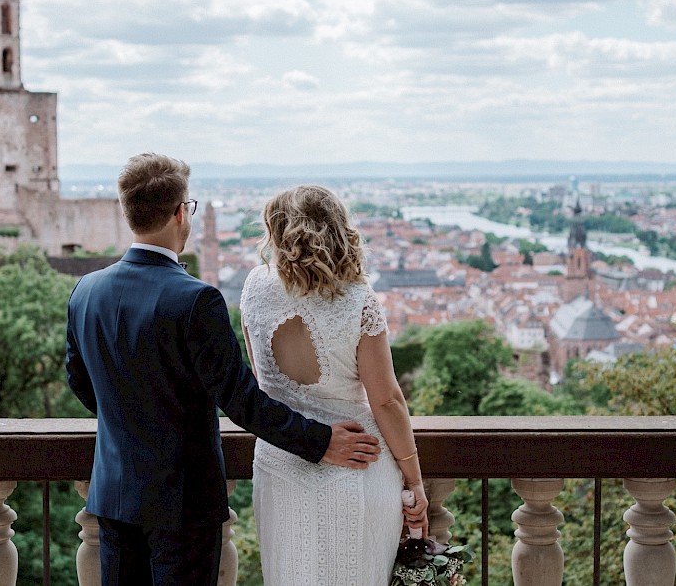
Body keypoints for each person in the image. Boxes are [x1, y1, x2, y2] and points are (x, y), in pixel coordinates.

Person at [65, 154, 382, 586]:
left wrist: (134, 416)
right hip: (183, 499)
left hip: (114, 492)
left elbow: (81, 383)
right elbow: (240, 400)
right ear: (181, 212)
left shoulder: (86, 290)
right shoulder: (196, 299)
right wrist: (321, 441)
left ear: (128, 213)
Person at [240, 184, 430, 585]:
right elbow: (387, 401)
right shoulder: (357, 298)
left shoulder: (255, 286)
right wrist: (413, 480)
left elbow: (261, 380)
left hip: (281, 461)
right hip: (359, 460)